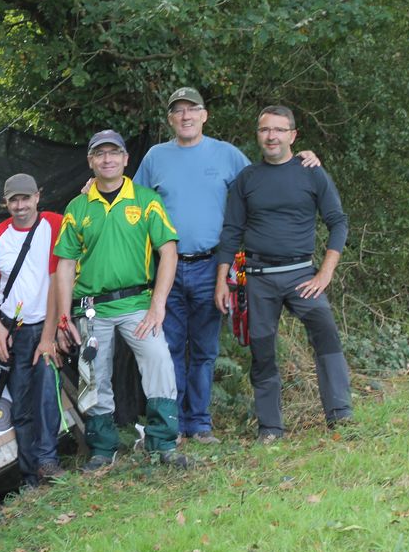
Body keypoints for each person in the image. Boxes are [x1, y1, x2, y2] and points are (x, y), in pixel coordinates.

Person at [134, 87, 321, 445]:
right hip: (166, 269)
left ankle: (199, 424)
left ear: (205, 115)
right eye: (179, 111)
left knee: (204, 350)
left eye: (193, 110)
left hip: (212, 267)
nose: (186, 116)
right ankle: (172, 424)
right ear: (170, 118)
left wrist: (303, 158)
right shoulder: (156, 157)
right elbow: (132, 201)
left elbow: (265, 179)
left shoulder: (226, 155)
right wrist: (92, 187)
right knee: (168, 349)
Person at [214, 105, 352, 444]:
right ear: (258, 135)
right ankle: (271, 428)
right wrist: (222, 279)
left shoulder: (312, 172)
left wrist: (325, 273)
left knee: (327, 337)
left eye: (278, 130)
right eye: (264, 130)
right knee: (262, 351)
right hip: (258, 277)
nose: (271, 136)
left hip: (302, 276)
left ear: (293, 135)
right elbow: (231, 231)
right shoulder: (247, 179)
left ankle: (340, 415)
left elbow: (338, 222)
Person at [54, 129, 187, 471]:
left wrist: (158, 303)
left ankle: (163, 442)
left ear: (126, 159)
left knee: (159, 360)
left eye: (114, 153)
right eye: (100, 154)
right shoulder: (78, 207)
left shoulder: (145, 200)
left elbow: (168, 253)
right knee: (94, 374)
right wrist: (63, 317)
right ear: (91, 162)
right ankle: (103, 448)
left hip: (138, 303)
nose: (107, 159)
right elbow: (66, 264)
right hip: (91, 309)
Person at [0, 173, 65, 488]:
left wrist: (50, 336)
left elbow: (59, 280)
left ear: (38, 197)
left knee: (47, 394)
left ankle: (49, 461)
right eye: (14, 199)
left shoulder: (54, 224)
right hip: (14, 331)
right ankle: (30, 476)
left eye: (26, 198)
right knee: (22, 403)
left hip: (46, 324)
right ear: (6, 203)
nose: (20, 205)